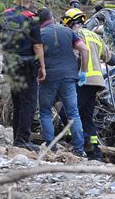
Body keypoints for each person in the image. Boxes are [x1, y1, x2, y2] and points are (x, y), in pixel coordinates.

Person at [61, 8, 115, 160]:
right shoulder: (94, 35)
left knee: (67, 113)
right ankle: (95, 153)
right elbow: (111, 59)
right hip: (96, 83)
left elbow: (73, 57)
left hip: (82, 81)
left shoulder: (73, 36)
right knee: (86, 116)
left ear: (68, 22)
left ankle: (80, 142)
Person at [38, 8, 89, 158]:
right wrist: (83, 71)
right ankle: (79, 150)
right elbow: (84, 50)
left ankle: (51, 147)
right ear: (52, 18)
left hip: (48, 77)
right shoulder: (67, 31)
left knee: (46, 111)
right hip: (69, 77)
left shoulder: (39, 35)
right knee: (73, 113)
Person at [0, 0, 46, 152]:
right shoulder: (31, 19)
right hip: (27, 65)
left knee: (17, 102)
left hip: (10, 64)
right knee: (28, 104)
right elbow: (38, 46)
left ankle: (16, 139)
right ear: (29, 1)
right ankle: (23, 140)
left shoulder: (4, 15)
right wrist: (42, 67)